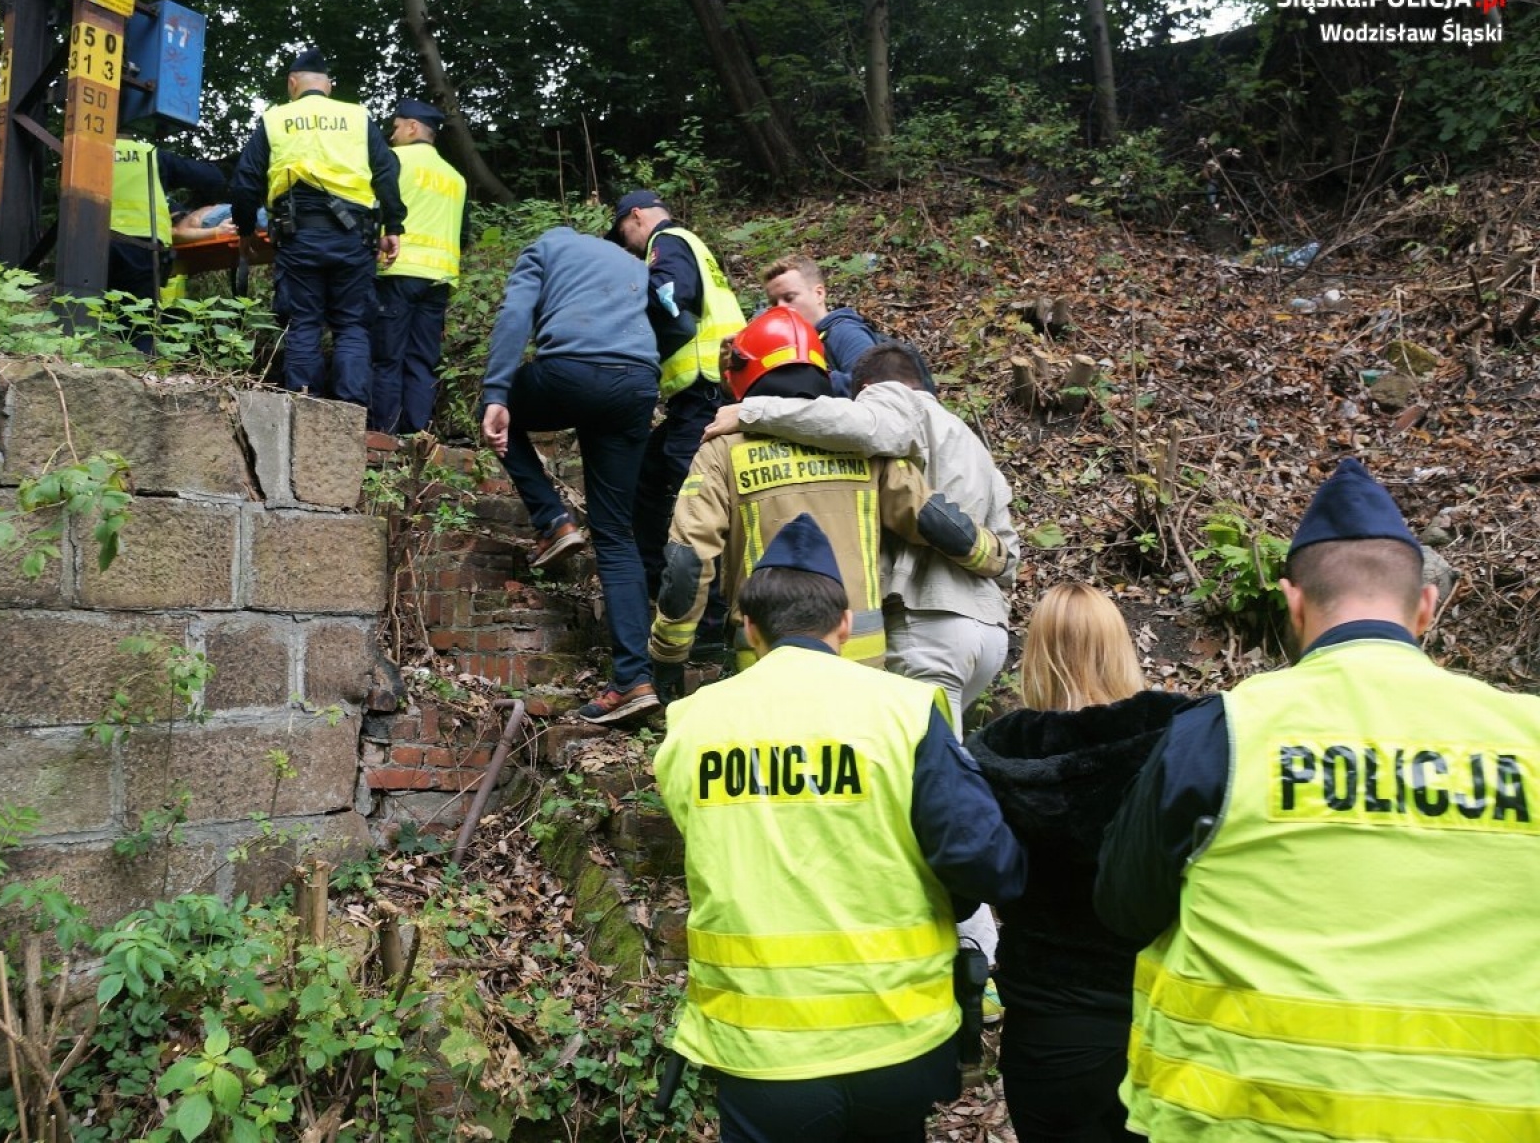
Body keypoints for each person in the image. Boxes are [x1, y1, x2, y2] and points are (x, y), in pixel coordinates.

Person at [1094, 457, 1540, 1141]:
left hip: (1243, 1122)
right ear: (1425, 605)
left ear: (1293, 603)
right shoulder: (1528, 738)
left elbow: (1124, 905)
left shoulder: (1224, 732)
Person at [654, 512, 1029, 1143]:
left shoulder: (693, 723)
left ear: (749, 626)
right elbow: (983, 857)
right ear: (846, 624)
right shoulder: (903, 710)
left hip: (759, 1051)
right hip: (898, 1037)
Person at [649, 308, 1014, 685]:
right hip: (861, 657)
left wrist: (668, 652)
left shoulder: (722, 449)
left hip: (766, 656)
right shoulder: (859, 442)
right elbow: (931, 518)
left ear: (742, 374)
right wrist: (995, 556)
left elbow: (688, 558)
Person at [964, 585, 1197, 1143]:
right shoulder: (1183, 740)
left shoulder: (994, 758)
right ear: (1120, 647)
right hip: (1164, 1020)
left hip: (1048, 1028)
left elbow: (973, 873)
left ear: (1036, 653)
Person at [480, 226, 662, 724]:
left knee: (498, 409)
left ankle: (553, 520)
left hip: (571, 373)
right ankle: (635, 680)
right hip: (636, 385)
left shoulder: (545, 247)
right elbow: (678, 323)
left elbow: (516, 314)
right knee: (616, 534)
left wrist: (497, 391)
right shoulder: (634, 263)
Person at [228, 47, 405, 406]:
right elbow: (387, 170)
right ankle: (351, 411)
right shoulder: (356, 117)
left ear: (293, 83)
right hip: (353, 235)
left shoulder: (275, 119)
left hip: (299, 234)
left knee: (304, 321)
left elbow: (245, 181)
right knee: (352, 325)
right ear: (329, 86)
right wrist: (393, 225)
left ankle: (305, 409)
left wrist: (246, 230)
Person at [607, 190, 747, 618]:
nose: (627, 244)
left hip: (704, 389)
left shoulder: (666, 241)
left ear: (636, 217)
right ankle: (655, 583)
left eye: (624, 233)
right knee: (649, 481)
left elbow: (671, 292)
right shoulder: (693, 245)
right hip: (710, 390)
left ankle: (712, 614)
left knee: (700, 495)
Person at [368, 98, 468, 436]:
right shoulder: (456, 178)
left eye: (395, 127)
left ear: (412, 127)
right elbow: (464, 234)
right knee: (422, 360)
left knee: (387, 356)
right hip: (439, 279)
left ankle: (385, 433)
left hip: (397, 270)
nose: (392, 135)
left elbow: (372, 209)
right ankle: (416, 434)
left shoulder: (392, 160)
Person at [108, 134, 225, 346]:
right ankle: (139, 368)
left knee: (89, 313)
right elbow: (213, 177)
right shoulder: (150, 154)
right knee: (139, 322)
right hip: (141, 244)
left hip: (91, 240)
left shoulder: (85, 152)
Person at [763, 254, 910, 397]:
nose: (780, 308)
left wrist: (803, 379)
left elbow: (875, 386)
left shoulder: (844, 331)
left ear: (819, 294)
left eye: (789, 297)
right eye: (774, 303)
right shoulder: (801, 343)